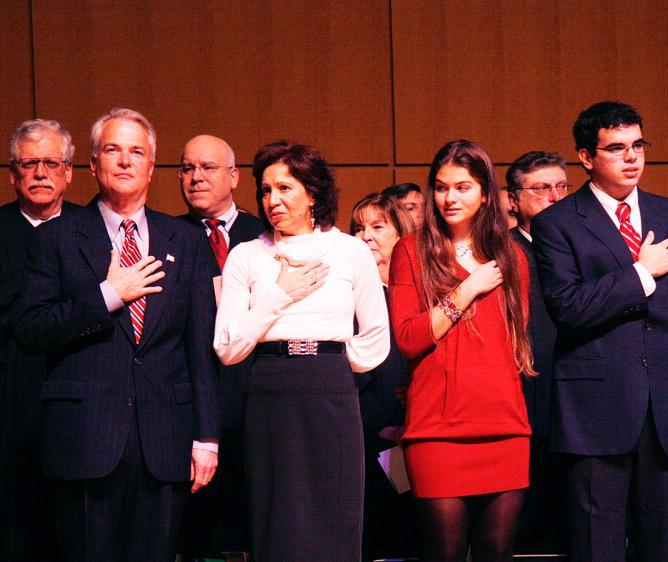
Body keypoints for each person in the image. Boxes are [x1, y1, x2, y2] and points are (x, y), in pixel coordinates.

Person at [15, 108, 220, 562]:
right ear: (92, 164)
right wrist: (107, 295)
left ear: (151, 166)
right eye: (113, 150)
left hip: (165, 441)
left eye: (136, 152)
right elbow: (31, 330)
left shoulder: (183, 241)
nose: (125, 161)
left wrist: (207, 436)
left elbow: (198, 347)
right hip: (85, 440)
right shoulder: (57, 236)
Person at [531, 101, 668, 562]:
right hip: (594, 411)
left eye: (638, 145)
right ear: (585, 157)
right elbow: (568, 308)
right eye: (616, 148)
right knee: (597, 547)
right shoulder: (557, 224)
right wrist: (642, 274)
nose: (632, 157)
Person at [213, 140, 390, 561]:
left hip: (331, 388)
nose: (273, 200)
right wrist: (277, 296)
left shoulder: (350, 251)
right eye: (266, 190)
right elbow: (227, 347)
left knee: (335, 516)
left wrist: (332, 364)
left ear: (313, 193)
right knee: (277, 521)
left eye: (285, 188)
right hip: (270, 387)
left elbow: (376, 335)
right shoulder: (246, 256)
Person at [389, 139, 533, 561]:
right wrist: (467, 288)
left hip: (504, 428)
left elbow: (514, 343)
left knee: (496, 553)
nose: (450, 197)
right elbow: (410, 338)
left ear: (486, 193)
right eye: (441, 187)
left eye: (463, 187)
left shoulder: (513, 258)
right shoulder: (410, 252)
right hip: (437, 432)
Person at [177, 134, 262, 557]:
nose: (196, 177)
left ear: (233, 177)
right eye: (187, 168)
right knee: (201, 532)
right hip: (194, 403)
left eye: (208, 168)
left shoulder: (263, 234)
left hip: (259, 398)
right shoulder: (169, 236)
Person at [0, 119, 80, 561]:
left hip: (77, 397)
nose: (40, 173)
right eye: (29, 164)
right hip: (10, 396)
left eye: (51, 162)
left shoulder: (94, 230)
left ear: (69, 172)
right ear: (13, 175)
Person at [350, 193, 420, 560]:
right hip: (363, 432)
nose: (366, 236)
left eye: (378, 227)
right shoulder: (347, 293)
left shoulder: (422, 290)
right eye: (359, 228)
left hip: (417, 428)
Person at [506, 150, 569, 552]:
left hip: (576, 387)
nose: (554, 196)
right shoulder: (504, 250)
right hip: (523, 386)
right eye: (541, 188)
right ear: (513, 200)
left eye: (562, 186)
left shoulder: (585, 245)